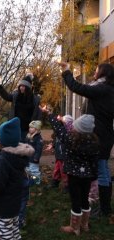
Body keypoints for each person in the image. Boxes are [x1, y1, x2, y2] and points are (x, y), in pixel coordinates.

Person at [59, 62, 114, 217]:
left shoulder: (103, 89)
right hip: (104, 135)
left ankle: (104, 209)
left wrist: (67, 71)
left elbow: (76, 87)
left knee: (102, 171)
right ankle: (99, 204)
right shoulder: (106, 89)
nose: (94, 72)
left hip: (101, 137)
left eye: (97, 70)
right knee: (102, 169)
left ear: (103, 72)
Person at [43, 108, 99, 236]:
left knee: (75, 200)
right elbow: (94, 162)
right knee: (84, 198)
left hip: (74, 175)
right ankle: (84, 225)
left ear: (78, 128)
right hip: (87, 176)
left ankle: (75, 228)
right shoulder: (94, 142)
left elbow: (58, 129)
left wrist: (49, 114)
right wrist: (94, 176)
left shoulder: (71, 139)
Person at [0, 117, 34, 240]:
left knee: (5, 233)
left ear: (3, 140)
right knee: (14, 229)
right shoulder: (19, 157)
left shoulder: (2, 160)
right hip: (15, 204)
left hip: (4, 207)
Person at [0, 74, 42, 141]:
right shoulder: (16, 96)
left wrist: (36, 127)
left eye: (23, 86)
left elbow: (37, 114)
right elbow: (7, 96)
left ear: (28, 88)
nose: (21, 88)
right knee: (15, 146)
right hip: (15, 127)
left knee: (25, 147)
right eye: (20, 86)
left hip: (28, 129)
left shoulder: (34, 99)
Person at [18, 120, 43, 228]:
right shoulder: (28, 136)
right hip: (27, 158)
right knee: (28, 170)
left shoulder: (38, 138)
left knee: (34, 171)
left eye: (32, 128)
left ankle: (36, 179)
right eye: (29, 127)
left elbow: (39, 148)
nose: (30, 129)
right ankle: (30, 178)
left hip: (34, 158)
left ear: (37, 129)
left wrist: (37, 157)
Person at [48, 115, 73, 192]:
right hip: (58, 156)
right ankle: (55, 181)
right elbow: (56, 140)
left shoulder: (66, 133)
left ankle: (67, 185)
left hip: (64, 156)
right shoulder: (58, 133)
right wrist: (52, 145)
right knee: (57, 170)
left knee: (64, 171)